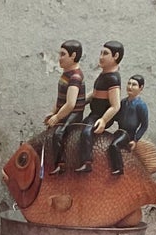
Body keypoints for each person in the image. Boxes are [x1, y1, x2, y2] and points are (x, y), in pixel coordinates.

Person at [65, 40, 123, 173]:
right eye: (101, 53)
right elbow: (95, 93)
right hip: (93, 114)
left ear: (116, 57)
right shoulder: (103, 75)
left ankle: (87, 162)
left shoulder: (113, 78)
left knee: (86, 132)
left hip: (100, 116)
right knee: (78, 128)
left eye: (105, 53)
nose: (101, 56)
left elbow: (116, 105)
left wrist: (103, 120)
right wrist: (82, 101)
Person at [41, 42, 84, 175]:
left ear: (73, 56)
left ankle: (61, 164)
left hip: (74, 113)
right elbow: (61, 99)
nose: (59, 58)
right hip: (64, 110)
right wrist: (53, 112)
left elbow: (70, 104)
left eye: (63, 54)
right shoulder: (66, 74)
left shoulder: (75, 77)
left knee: (59, 134)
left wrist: (57, 117)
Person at [100, 72, 150, 177]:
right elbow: (115, 117)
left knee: (114, 145)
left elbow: (144, 125)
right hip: (119, 131)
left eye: (134, 85)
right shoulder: (123, 102)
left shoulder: (141, 105)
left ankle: (119, 169)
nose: (130, 87)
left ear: (141, 88)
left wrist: (135, 139)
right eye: (129, 84)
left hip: (128, 135)